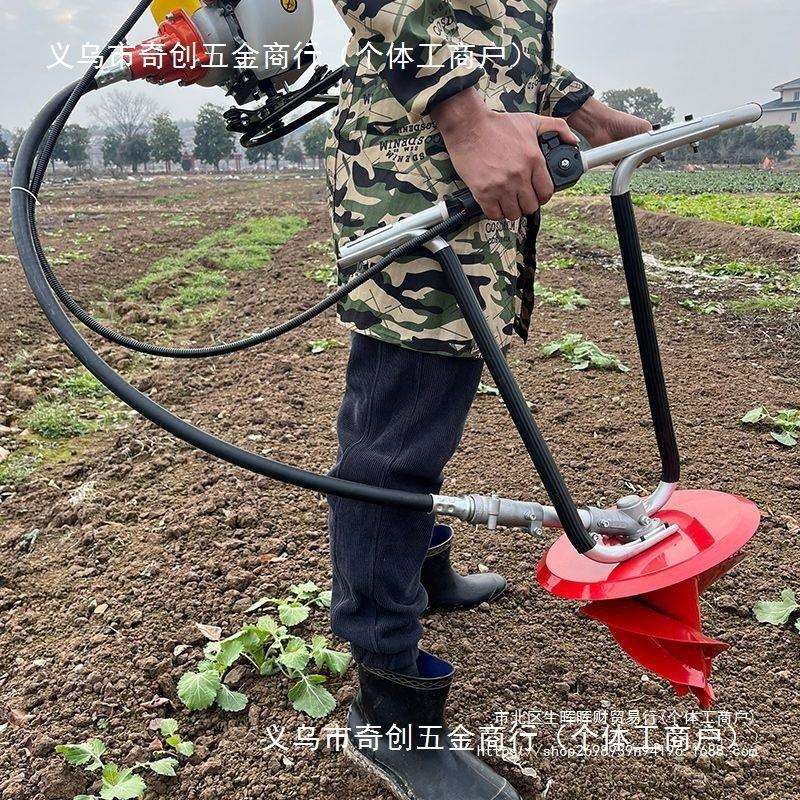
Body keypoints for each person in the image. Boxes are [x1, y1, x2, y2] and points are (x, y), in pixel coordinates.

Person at [324, 1, 650, 796]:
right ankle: (388, 703)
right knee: (396, 442)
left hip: (471, 160)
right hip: (418, 168)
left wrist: (580, 107)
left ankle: (423, 571)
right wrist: (465, 113)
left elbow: (493, 19)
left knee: (431, 409)